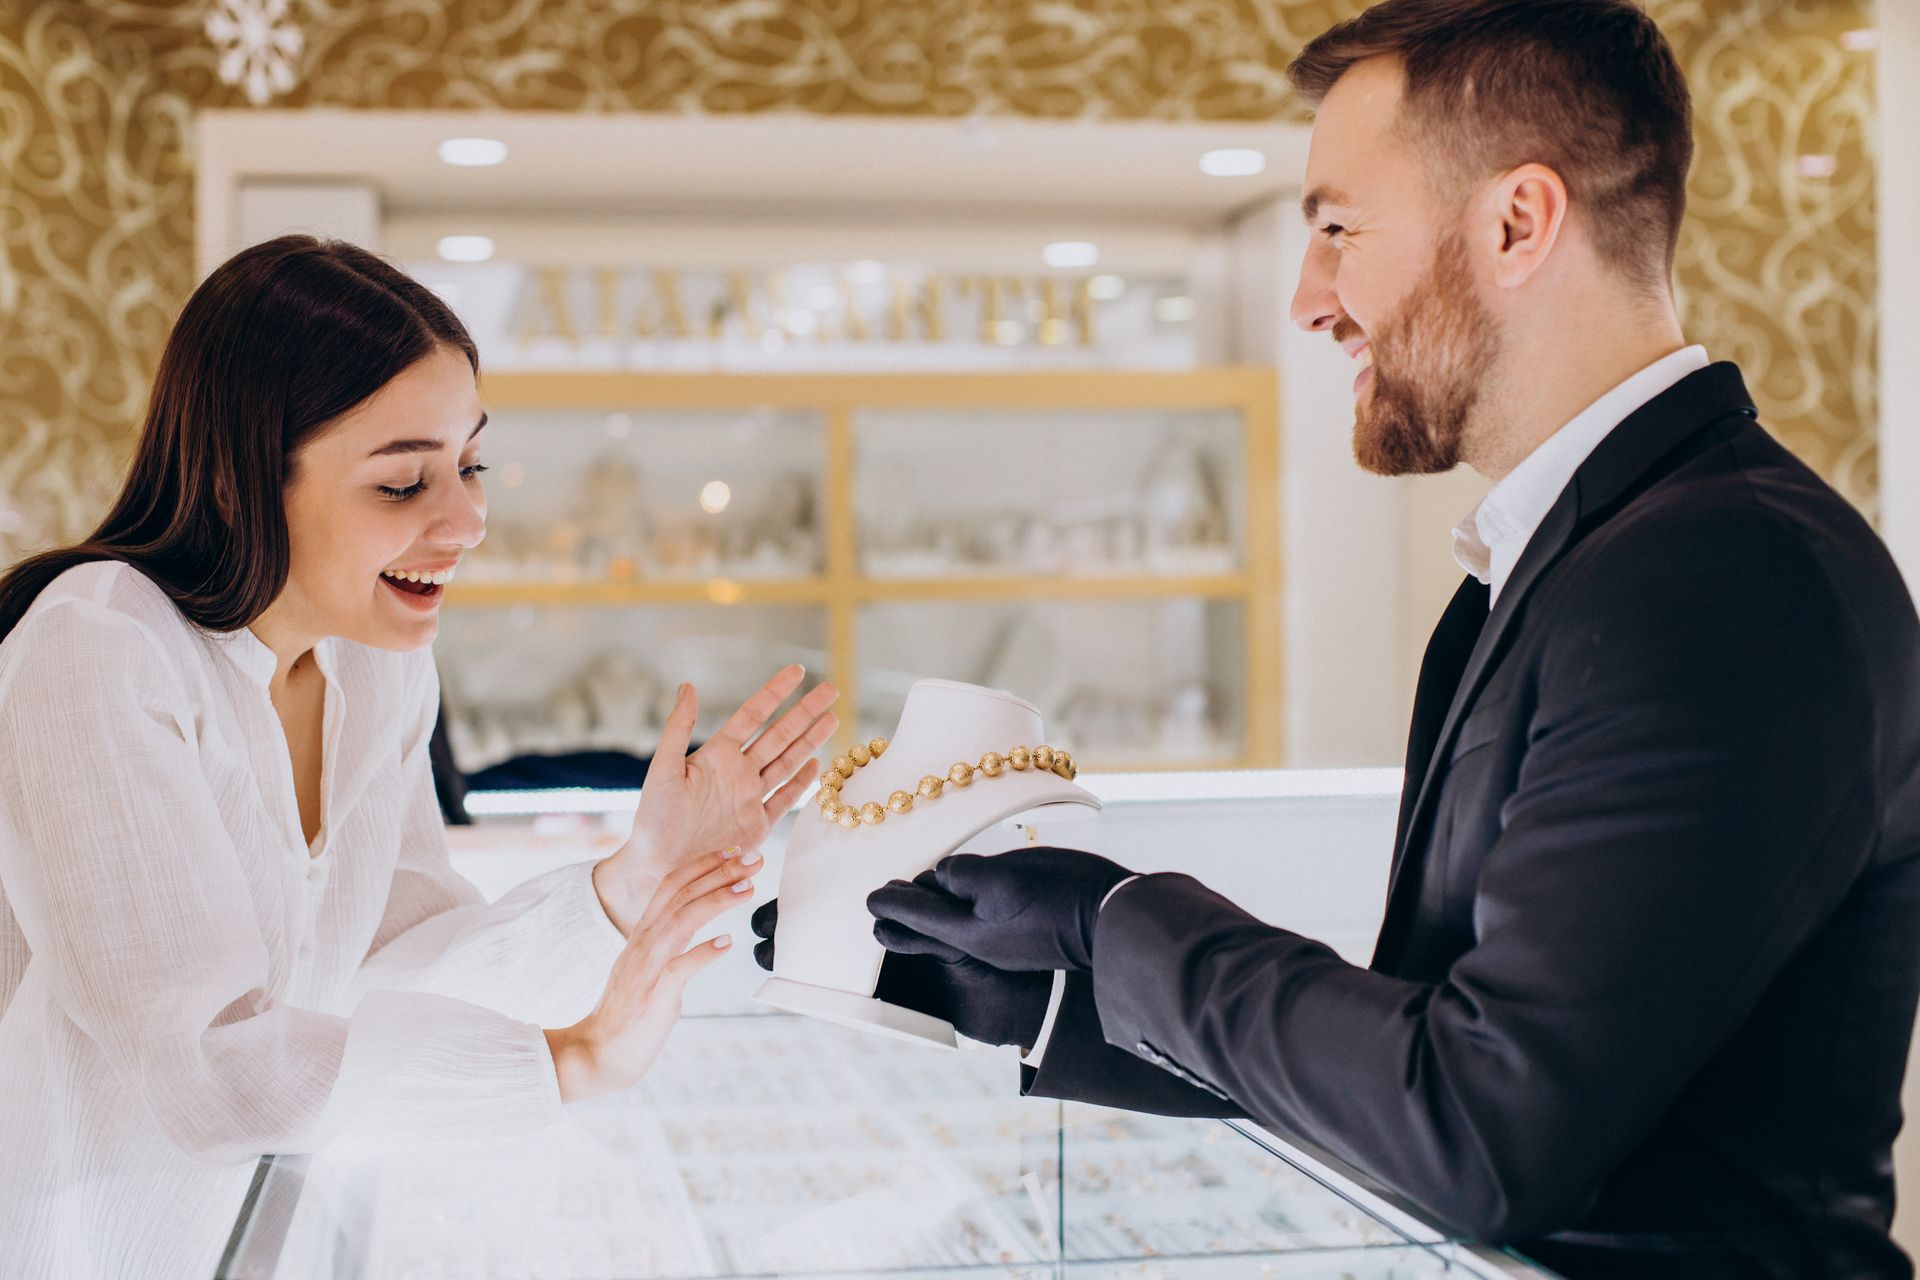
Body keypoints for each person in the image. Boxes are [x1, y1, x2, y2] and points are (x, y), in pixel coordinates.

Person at [764, 2, 1920, 1275]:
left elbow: (1485, 1129)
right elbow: (1414, 1066)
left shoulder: (1724, 576)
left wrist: (1118, 919)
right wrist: (1034, 995)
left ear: (1518, 223)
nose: (1312, 301)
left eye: (1334, 229)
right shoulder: (1563, 570)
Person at [0, 235, 838, 1277]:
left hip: (269, 1230)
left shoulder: (378, 671)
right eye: (404, 483)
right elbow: (204, 1065)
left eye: (471, 463)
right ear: (236, 478)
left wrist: (633, 879)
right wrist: (570, 1061)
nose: (470, 518)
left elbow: (405, 964)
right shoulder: (99, 646)